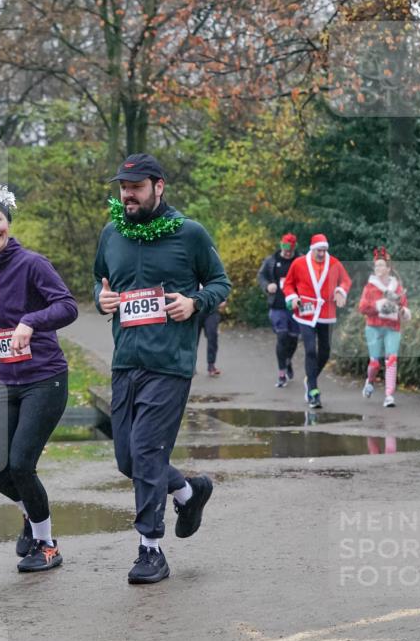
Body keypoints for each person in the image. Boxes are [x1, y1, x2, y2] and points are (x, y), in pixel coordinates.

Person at [94, 153, 231, 585]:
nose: (127, 194)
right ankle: (190, 492)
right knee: (127, 457)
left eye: (135, 187)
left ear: (159, 186)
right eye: (122, 187)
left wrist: (194, 303)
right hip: (125, 360)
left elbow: (220, 283)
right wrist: (102, 301)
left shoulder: (189, 234)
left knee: (148, 451)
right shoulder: (111, 234)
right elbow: (100, 284)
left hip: (170, 362)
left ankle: (150, 549)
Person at [0, 183, 78, 573]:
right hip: (4, 379)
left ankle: (46, 544)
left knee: (21, 464)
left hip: (44, 378)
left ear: (8, 223)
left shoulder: (32, 263)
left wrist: (32, 321)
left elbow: (67, 306)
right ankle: (31, 514)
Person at [283, 233, 352, 409]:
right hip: (305, 312)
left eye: (324, 250)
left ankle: (310, 377)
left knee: (326, 352)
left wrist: (340, 291)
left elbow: (346, 281)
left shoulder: (334, 263)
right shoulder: (299, 263)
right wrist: (293, 297)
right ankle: (313, 391)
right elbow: (288, 284)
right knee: (310, 350)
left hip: (326, 311)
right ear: (312, 249)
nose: (322, 254)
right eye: (319, 250)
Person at [358, 246, 411, 408]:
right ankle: (370, 380)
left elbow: (405, 307)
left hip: (393, 327)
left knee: (392, 359)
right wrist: (380, 306)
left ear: (389, 268)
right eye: (377, 265)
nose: (379, 268)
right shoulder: (370, 287)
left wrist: (402, 311)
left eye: (382, 265)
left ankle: (389, 395)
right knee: (375, 363)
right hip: (373, 327)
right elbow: (362, 308)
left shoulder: (397, 287)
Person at [257, 233, 300, 388]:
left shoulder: (299, 261)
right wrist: (267, 286)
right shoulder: (271, 261)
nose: (287, 253)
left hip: (296, 307)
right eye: (285, 249)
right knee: (282, 337)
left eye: (290, 250)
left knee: (293, 339)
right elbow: (261, 276)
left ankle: (287, 360)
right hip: (277, 305)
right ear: (281, 246)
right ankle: (281, 373)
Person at [197, 299, 227, 376]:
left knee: (212, 336)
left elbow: (221, 289)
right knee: (192, 339)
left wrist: (223, 299)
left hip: (212, 311)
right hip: (195, 311)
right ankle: (190, 365)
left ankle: (211, 365)